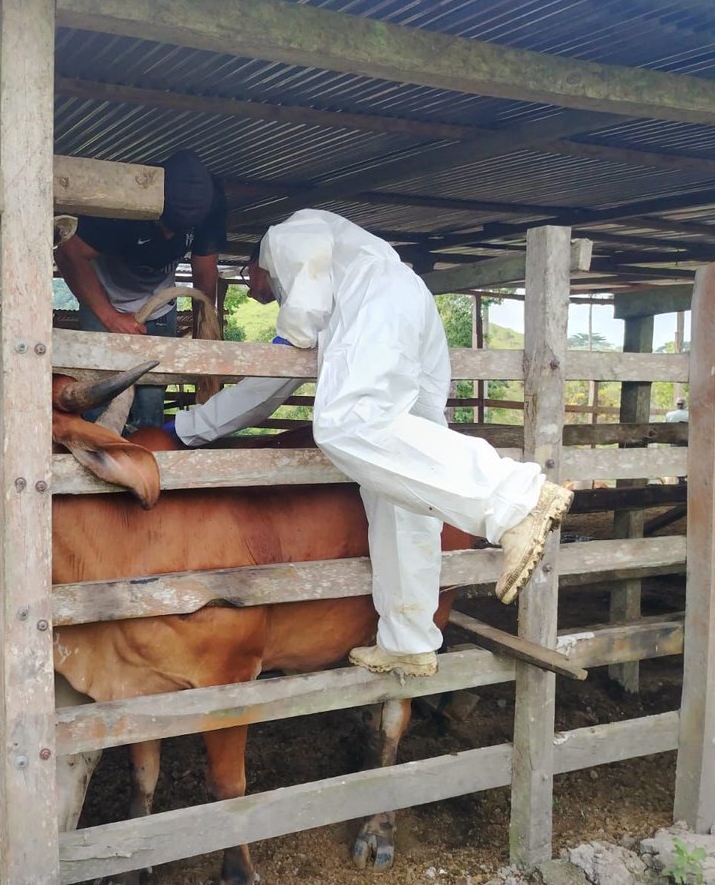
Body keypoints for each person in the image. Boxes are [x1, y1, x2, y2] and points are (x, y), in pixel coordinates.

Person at [164, 209, 573, 678]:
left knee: (344, 424)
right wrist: (191, 429)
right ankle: (409, 640)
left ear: (259, 259)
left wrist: (186, 428)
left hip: (381, 307)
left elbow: (300, 316)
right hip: (407, 311)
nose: (256, 291)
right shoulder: (336, 285)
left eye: (252, 278)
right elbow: (267, 388)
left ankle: (515, 499)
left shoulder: (286, 235)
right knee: (400, 490)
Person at [55, 149, 226, 432]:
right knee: (98, 397)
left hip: (159, 306)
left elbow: (205, 270)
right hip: (103, 301)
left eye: (180, 230)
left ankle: (145, 459)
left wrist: (204, 328)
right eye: (167, 225)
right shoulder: (123, 197)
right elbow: (68, 253)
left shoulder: (211, 203)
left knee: (151, 399)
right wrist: (109, 317)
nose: (170, 236)